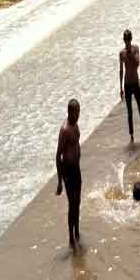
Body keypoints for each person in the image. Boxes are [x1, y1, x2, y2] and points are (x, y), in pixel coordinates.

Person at [56, 99, 82, 250]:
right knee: (72, 204)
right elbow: (58, 155)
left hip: (76, 168)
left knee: (77, 202)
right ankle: (71, 237)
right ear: (69, 112)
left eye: (79, 111)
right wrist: (60, 181)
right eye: (76, 112)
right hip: (68, 170)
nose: (78, 115)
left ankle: (77, 230)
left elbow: (76, 145)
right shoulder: (65, 130)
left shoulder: (76, 125)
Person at [119, 29, 140, 144]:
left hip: (135, 83)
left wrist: (130, 53)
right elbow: (121, 71)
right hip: (127, 84)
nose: (127, 42)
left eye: (128, 40)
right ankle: (131, 136)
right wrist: (120, 88)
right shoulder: (121, 53)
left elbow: (137, 64)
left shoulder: (135, 49)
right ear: (123, 40)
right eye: (125, 40)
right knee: (130, 112)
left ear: (131, 39)